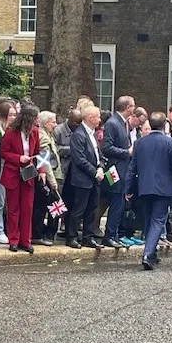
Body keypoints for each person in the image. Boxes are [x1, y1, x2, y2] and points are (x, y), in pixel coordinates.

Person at [125, 112, 172, 270]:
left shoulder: (139, 143)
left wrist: (128, 188)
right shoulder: (170, 143)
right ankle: (148, 253)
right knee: (158, 221)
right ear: (165, 124)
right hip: (164, 188)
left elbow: (132, 168)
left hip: (144, 186)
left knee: (150, 220)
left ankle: (153, 252)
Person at [0, 104, 43, 253]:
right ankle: (13, 240)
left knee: (27, 208)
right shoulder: (11, 132)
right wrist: (19, 158)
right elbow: (4, 153)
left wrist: (41, 170)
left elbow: (38, 153)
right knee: (13, 209)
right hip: (13, 172)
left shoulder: (35, 132)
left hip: (28, 174)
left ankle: (26, 240)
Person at [65, 105, 105, 250]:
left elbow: (98, 155)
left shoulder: (92, 134)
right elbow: (79, 159)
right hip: (82, 179)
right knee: (79, 209)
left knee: (92, 209)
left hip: (94, 178)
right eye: (98, 117)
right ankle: (72, 236)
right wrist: (95, 172)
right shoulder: (79, 135)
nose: (100, 119)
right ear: (90, 118)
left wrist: (101, 167)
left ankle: (88, 236)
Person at [101, 97, 133, 248]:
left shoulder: (123, 123)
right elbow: (106, 147)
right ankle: (109, 235)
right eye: (133, 106)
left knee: (119, 204)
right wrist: (127, 152)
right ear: (127, 107)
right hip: (115, 170)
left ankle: (113, 234)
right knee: (115, 204)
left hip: (122, 169)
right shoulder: (113, 123)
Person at [31, 111, 62, 245]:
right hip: (49, 179)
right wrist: (53, 182)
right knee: (52, 207)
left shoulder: (48, 135)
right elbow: (45, 161)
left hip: (52, 177)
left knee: (55, 207)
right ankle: (46, 233)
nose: (55, 125)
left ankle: (48, 232)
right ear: (45, 123)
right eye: (53, 122)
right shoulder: (43, 137)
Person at [0, 101, 17, 245]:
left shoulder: (15, 131)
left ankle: (8, 229)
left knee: (9, 202)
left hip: (11, 170)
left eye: (14, 114)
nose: (13, 117)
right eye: (10, 114)